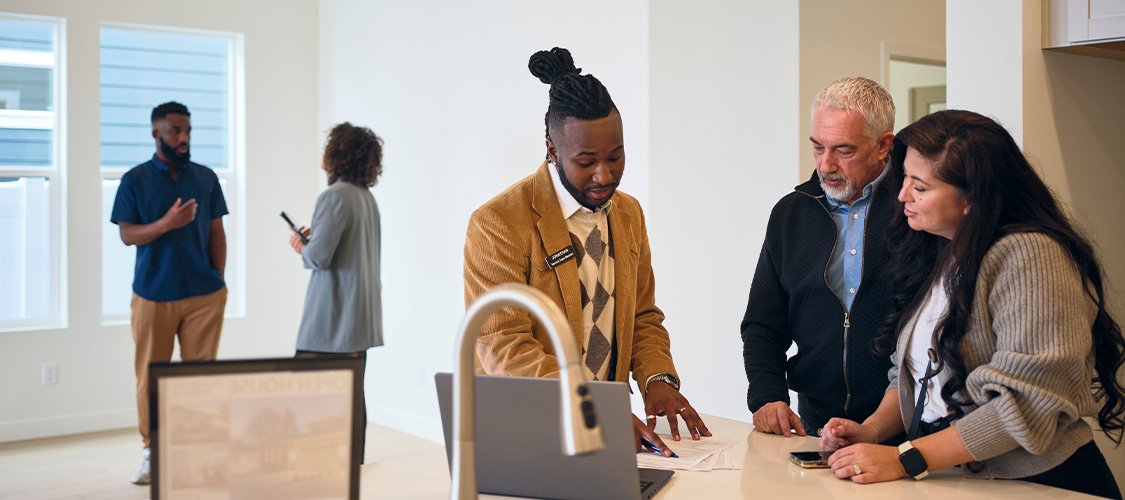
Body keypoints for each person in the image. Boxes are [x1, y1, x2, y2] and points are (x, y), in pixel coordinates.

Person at [818, 110, 1124, 499]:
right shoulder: (945, 250)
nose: (902, 195)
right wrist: (871, 431)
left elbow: (1027, 402)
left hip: (1044, 482)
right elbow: (915, 373)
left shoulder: (1031, 255)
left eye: (920, 186)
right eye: (905, 178)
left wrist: (906, 458)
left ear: (973, 198)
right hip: (961, 476)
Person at [463, 47, 710, 455]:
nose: (604, 175)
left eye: (615, 156)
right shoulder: (498, 223)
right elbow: (502, 342)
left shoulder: (628, 213)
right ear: (552, 149)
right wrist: (592, 408)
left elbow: (642, 316)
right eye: (586, 161)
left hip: (604, 438)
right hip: (525, 435)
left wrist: (657, 379)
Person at [741, 77, 899, 437]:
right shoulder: (791, 214)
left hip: (905, 428)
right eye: (817, 148)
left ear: (882, 145)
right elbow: (763, 323)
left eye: (843, 151)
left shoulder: (915, 213)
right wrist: (767, 395)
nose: (825, 165)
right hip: (815, 427)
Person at [110, 101, 229, 485]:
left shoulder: (206, 178)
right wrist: (165, 223)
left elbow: (216, 231)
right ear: (156, 132)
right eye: (176, 130)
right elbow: (127, 234)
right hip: (153, 294)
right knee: (151, 377)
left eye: (188, 131)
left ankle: (197, 451)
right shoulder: (135, 180)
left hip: (204, 295)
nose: (184, 138)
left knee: (199, 376)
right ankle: (152, 450)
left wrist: (219, 280)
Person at [288, 122, 384, 464]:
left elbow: (319, 257)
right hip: (359, 320)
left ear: (337, 154)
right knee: (353, 398)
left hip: (331, 322)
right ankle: (353, 466)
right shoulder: (366, 199)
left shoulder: (333, 196)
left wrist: (301, 245)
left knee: (304, 398)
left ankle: (308, 467)